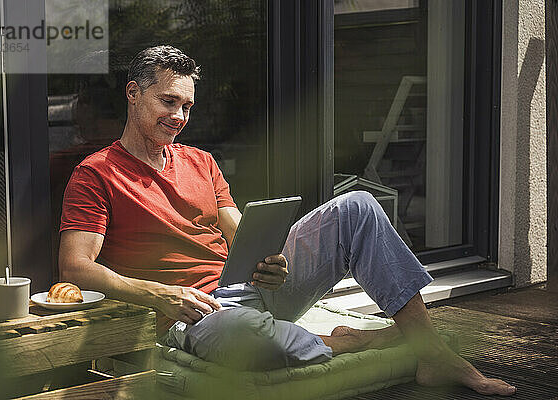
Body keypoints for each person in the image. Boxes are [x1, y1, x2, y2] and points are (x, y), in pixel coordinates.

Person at [59, 45, 516, 396]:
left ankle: (432, 351)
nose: (180, 117)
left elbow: (240, 232)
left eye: (188, 106)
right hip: (194, 313)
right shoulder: (96, 173)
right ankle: (352, 343)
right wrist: (156, 292)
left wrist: (271, 260)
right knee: (244, 337)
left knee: (356, 206)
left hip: (247, 289)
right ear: (133, 93)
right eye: (168, 102)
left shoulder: (199, 161)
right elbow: (76, 267)